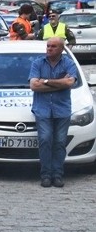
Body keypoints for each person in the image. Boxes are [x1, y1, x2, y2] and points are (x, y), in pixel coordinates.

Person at [28, 37, 78, 188]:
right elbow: (34, 86)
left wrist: (45, 81)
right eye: (48, 46)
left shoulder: (69, 63)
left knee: (59, 143)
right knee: (45, 140)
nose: (49, 49)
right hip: (42, 109)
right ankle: (46, 175)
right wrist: (59, 84)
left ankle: (57, 174)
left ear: (61, 49)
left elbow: (70, 82)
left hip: (62, 109)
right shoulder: (38, 63)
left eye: (53, 46)